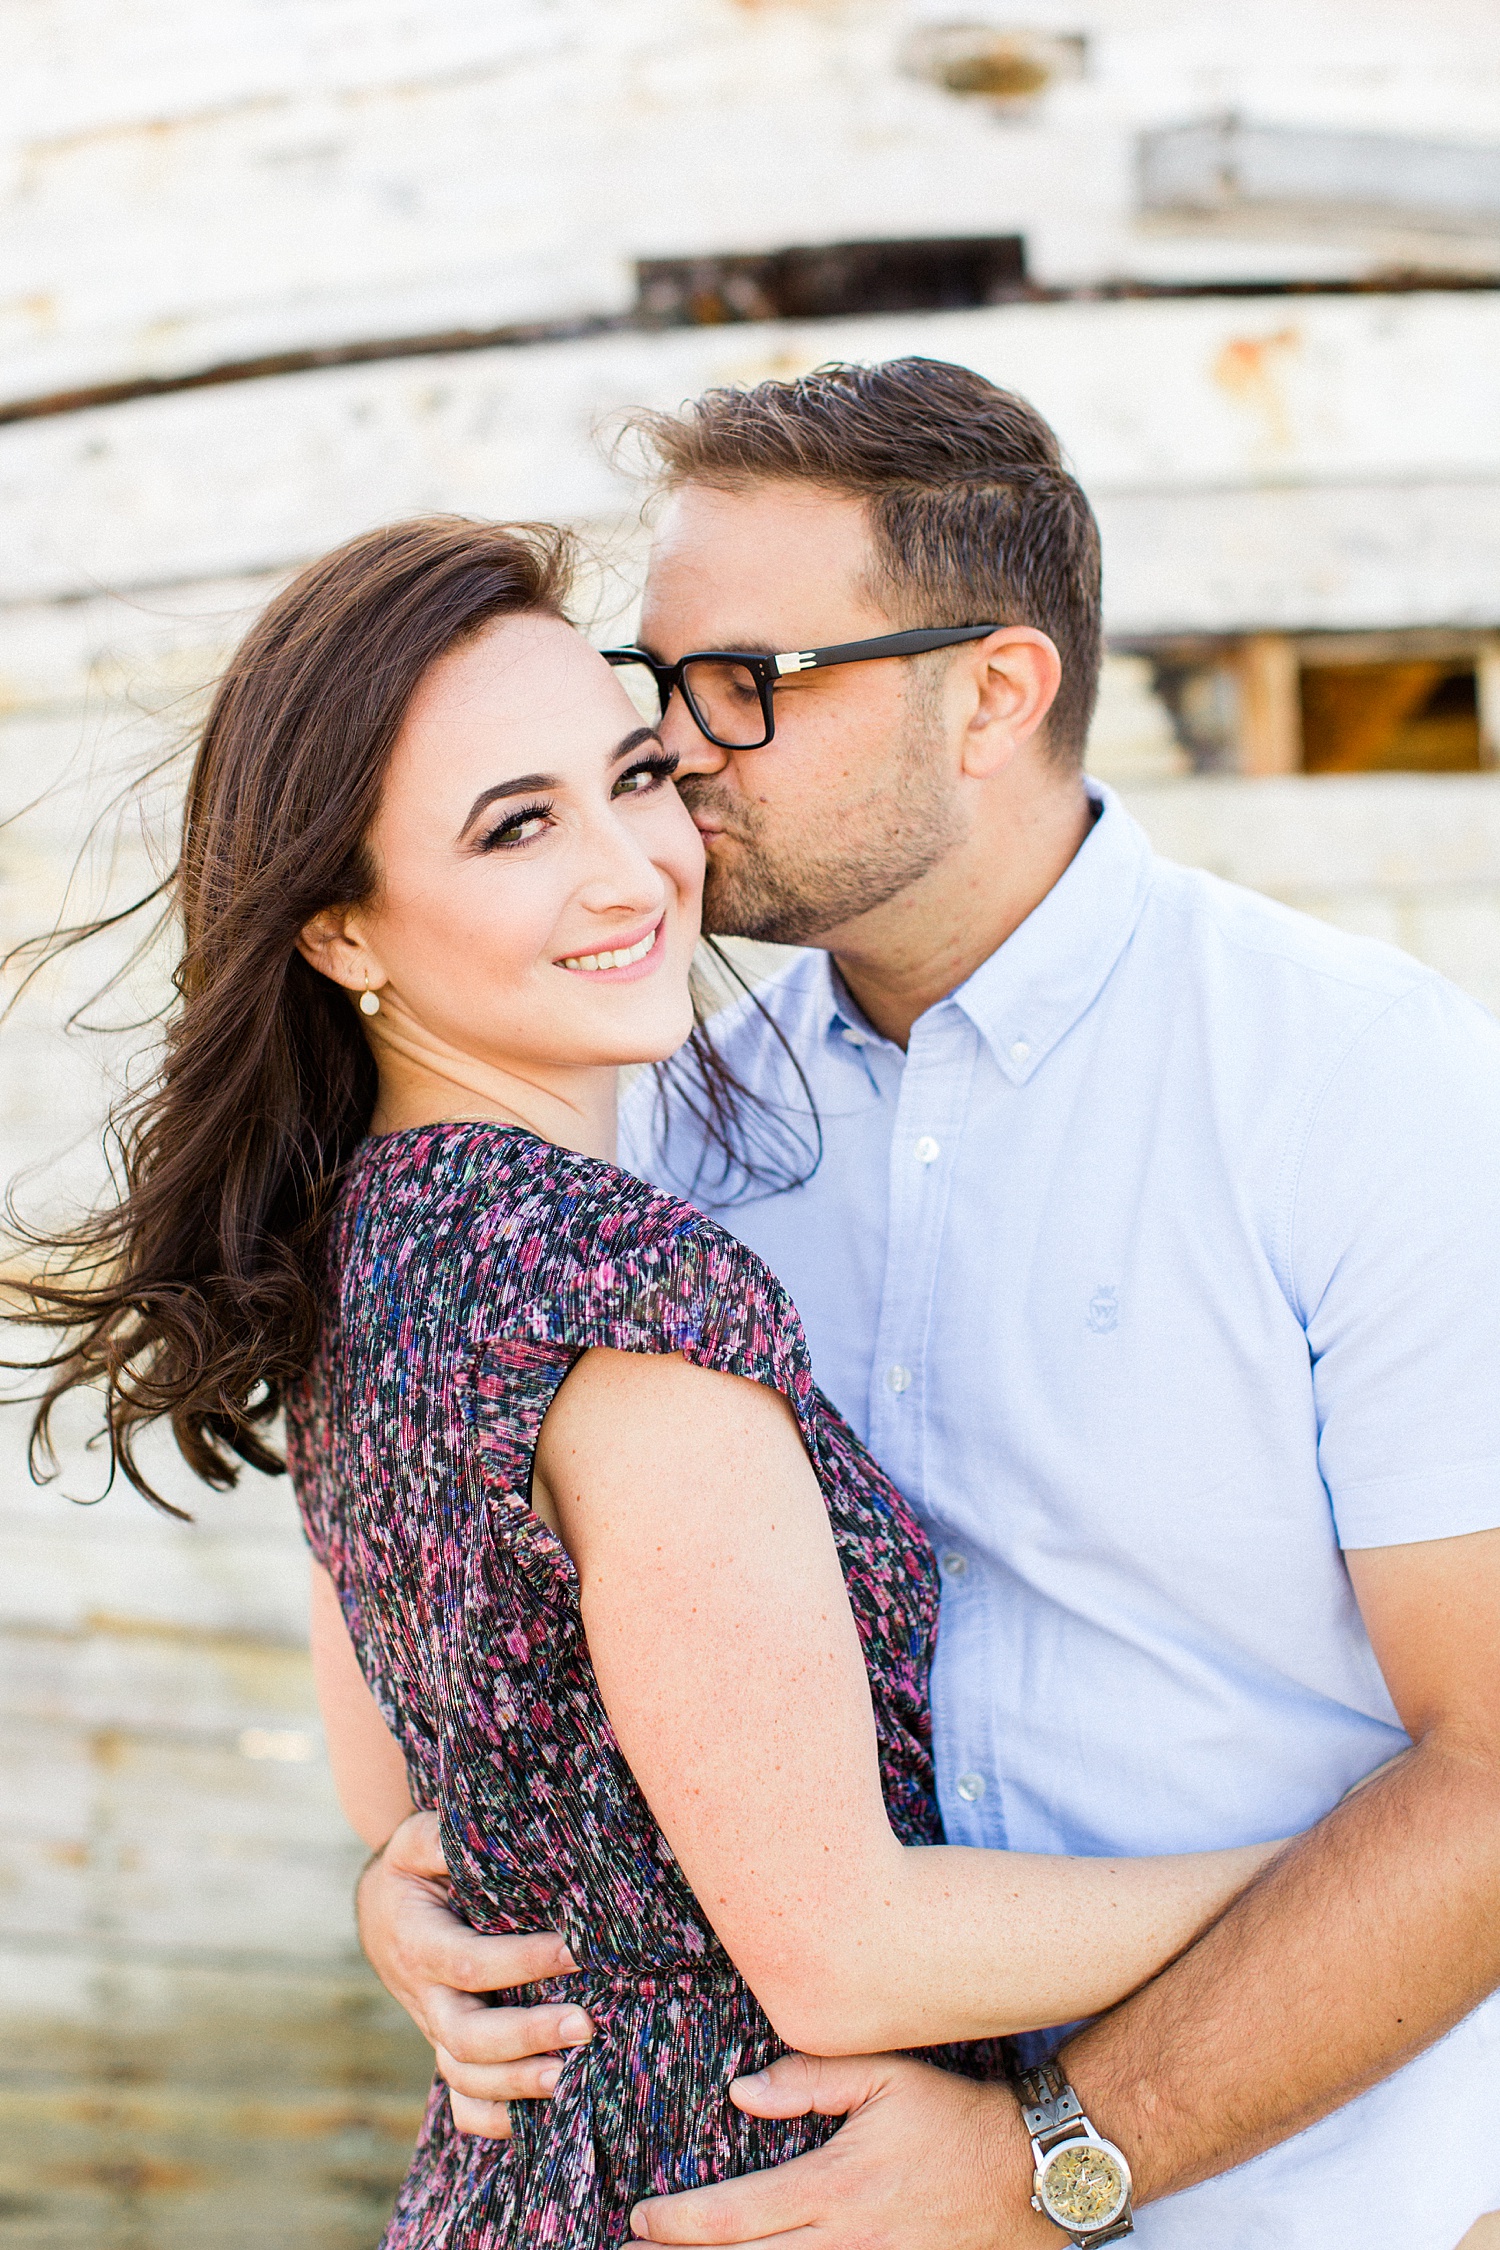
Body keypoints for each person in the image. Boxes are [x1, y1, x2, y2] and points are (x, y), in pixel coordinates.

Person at [8, 515, 1283, 2248]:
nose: (634, 870)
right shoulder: (621, 1292)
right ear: (342, 936)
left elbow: (408, 1815)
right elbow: (845, 1947)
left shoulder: (362, 1254)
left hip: (524, 2185)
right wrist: (1329, 1883)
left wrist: (411, 1906)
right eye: (517, 827)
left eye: (633, 778)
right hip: (755, 2185)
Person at [356, 362, 1500, 2250]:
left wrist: (1051, 2156)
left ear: (996, 691)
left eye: (749, 684)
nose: (679, 757)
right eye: (659, 688)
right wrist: (414, 1876)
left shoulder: (1364, 1089)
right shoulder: (674, 1126)